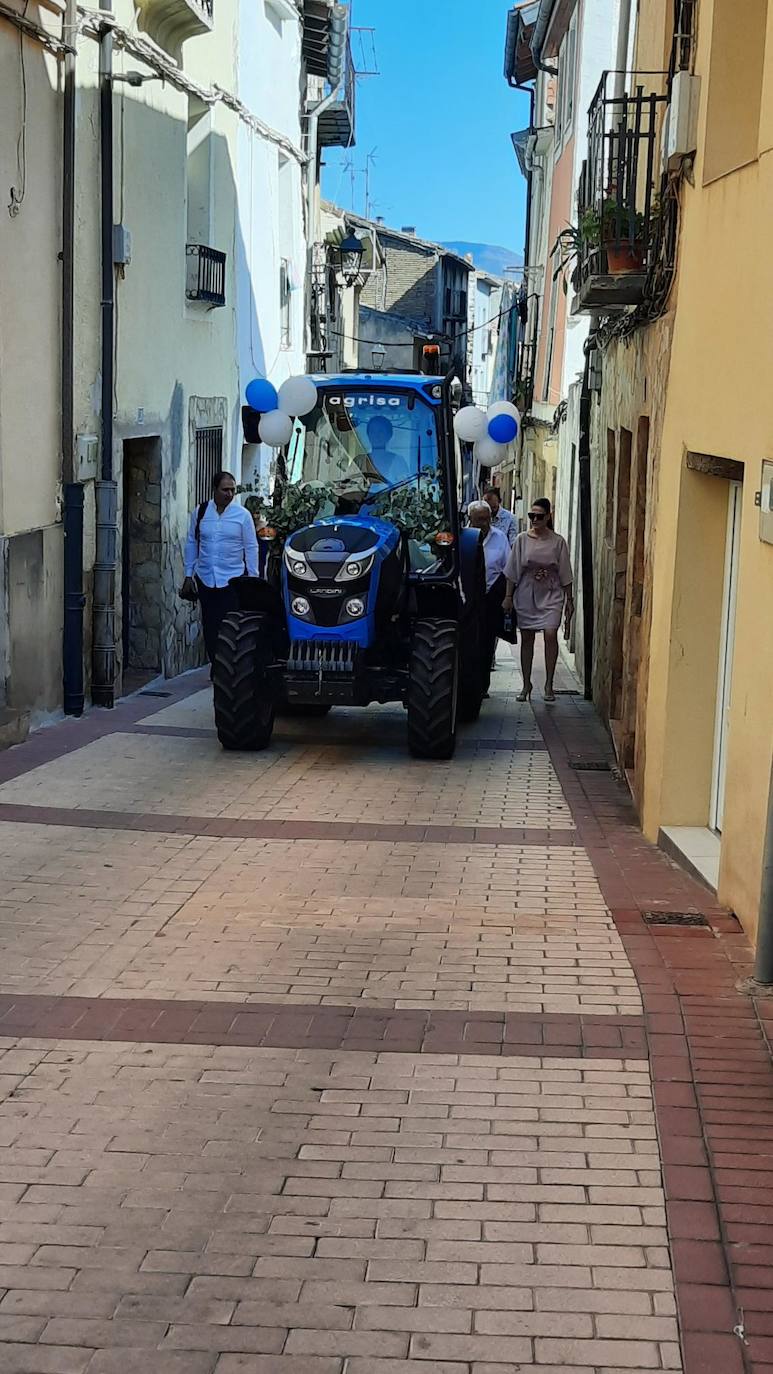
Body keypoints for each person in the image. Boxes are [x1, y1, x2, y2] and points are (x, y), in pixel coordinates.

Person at [181, 471, 259, 670]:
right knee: (210, 627)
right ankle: (216, 668)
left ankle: (228, 668)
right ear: (214, 490)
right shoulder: (200, 513)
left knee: (230, 628)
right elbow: (192, 542)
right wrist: (189, 574)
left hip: (232, 580)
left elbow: (251, 547)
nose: (229, 494)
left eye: (232, 490)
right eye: (225, 490)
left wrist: (253, 578)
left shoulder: (242, 516)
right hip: (206, 578)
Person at [502, 496, 574, 703]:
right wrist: (508, 596)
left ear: (548, 517)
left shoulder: (558, 541)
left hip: (551, 592)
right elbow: (513, 569)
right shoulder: (522, 540)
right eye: (531, 516)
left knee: (551, 633)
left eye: (539, 516)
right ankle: (526, 684)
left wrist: (570, 599)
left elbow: (565, 571)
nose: (535, 519)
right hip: (527, 592)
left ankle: (549, 683)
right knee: (527, 638)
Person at [467, 500, 510, 696]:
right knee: (469, 644)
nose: (484, 523)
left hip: (490, 597)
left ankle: (482, 687)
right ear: (470, 520)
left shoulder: (500, 538)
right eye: (479, 520)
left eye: (487, 519)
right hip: (468, 598)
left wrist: (507, 597)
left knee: (485, 644)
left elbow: (508, 569)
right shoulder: (463, 538)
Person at [366, 416, 412, 488]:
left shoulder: (398, 462)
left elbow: (406, 489)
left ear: (389, 435)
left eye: (380, 432)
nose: (376, 435)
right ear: (368, 435)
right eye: (372, 431)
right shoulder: (359, 461)